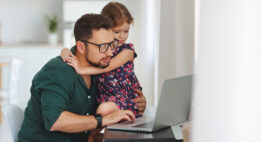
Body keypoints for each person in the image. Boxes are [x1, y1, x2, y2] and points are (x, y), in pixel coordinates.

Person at [18, 14, 146, 142]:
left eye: (111, 44)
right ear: (81, 47)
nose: (110, 53)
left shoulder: (99, 69)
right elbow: (54, 121)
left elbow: (116, 96)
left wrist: (137, 102)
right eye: (103, 47)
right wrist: (103, 120)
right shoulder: (56, 72)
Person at [61, 2, 143, 117]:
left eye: (126, 31)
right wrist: (65, 50)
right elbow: (82, 49)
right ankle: (94, 134)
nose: (122, 36)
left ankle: (92, 135)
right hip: (106, 96)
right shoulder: (98, 49)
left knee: (103, 110)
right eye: (117, 32)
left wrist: (81, 70)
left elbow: (109, 66)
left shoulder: (128, 51)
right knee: (102, 110)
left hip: (124, 96)